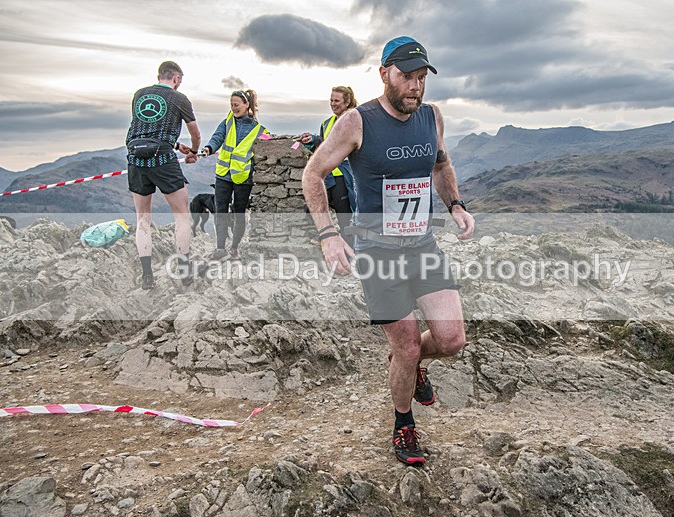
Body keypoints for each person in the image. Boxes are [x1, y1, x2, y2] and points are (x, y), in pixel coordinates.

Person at [301, 36, 475, 466]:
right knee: (408, 345)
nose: (415, 86)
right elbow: (312, 173)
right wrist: (328, 235)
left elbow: (440, 164)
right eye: (406, 77)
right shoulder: (356, 123)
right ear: (384, 74)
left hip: (423, 245)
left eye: (421, 78)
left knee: (452, 339)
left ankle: (409, 361)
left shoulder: (432, 117)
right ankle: (403, 423)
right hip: (378, 253)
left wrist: (455, 204)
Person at [126, 60, 201, 289]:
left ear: (159, 75)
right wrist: (193, 152)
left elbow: (149, 129)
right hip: (163, 160)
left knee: (142, 219)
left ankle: (147, 276)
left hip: (136, 158)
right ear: (176, 79)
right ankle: (184, 271)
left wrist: (178, 146)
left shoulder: (140, 94)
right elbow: (195, 133)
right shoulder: (180, 98)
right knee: (181, 215)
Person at [202, 89, 268, 261]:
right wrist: (209, 148)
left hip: (243, 178)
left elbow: (269, 146)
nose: (233, 108)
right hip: (223, 175)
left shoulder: (260, 130)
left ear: (247, 105)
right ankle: (220, 248)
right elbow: (217, 138)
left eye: (236, 105)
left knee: (239, 214)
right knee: (220, 212)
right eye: (231, 105)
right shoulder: (227, 123)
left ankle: (235, 249)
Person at [299, 86, 358, 246]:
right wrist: (311, 142)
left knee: (345, 217)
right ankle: (324, 239)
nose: (333, 104)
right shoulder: (326, 124)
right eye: (331, 100)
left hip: (343, 177)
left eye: (337, 101)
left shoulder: (354, 121)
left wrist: (318, 141)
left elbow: (345, 147)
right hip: (328, 175)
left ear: (347, 102)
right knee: (311, 208)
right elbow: (324, 149)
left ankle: (352, 252)